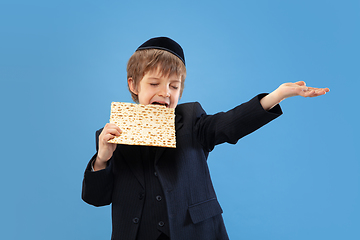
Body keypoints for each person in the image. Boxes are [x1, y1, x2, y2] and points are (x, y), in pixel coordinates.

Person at [82, 37, 329, 240]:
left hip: (195, 231)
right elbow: (96, 198)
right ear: (133, 85)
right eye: (154, 83)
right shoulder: (112, 137)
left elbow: (230, 124)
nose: (165, 93)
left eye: (174, 86)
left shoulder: (192, 119)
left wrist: (276, 96)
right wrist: (103, 158)